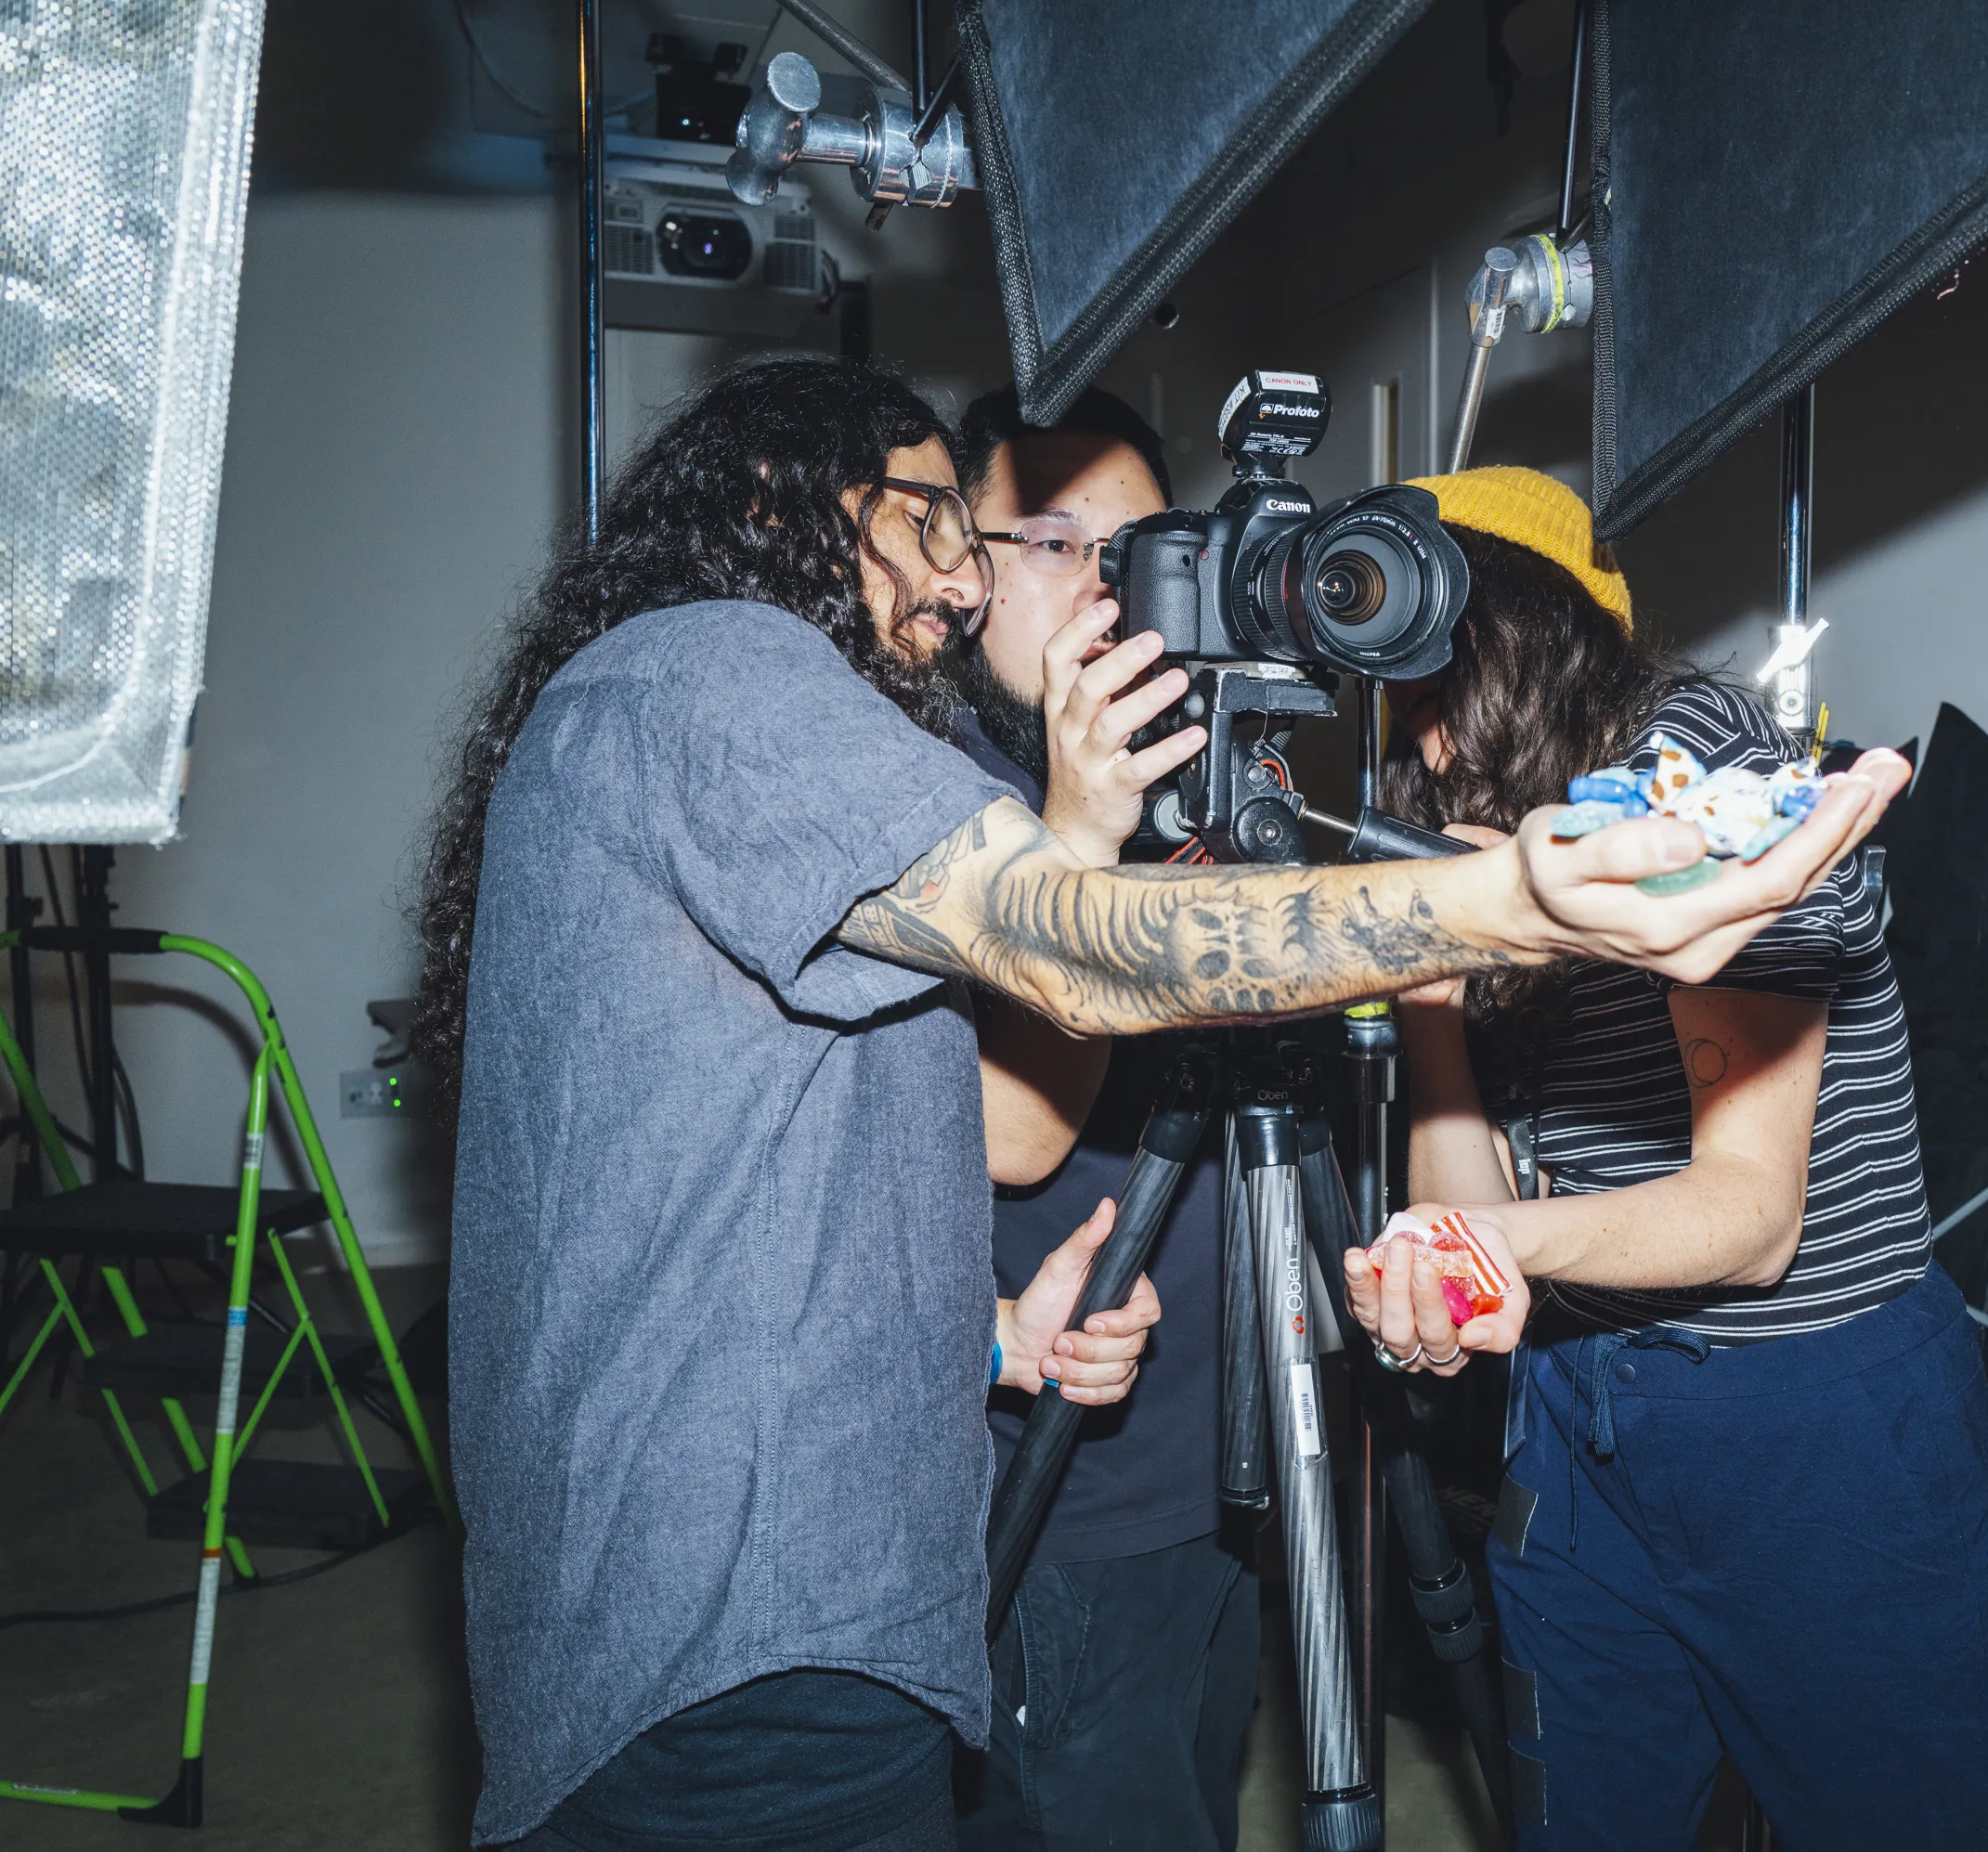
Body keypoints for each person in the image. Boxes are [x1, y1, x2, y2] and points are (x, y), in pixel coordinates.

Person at [411, 363, 1908, 1852]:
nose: (958, 579)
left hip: (778, 1593)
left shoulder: (747, 736)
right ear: (774, 502)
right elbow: (1067, 947)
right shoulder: (725, 675)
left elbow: (757, 1161)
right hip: (735, 1625)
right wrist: (1504, 898)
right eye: (940, 522)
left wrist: (989, 1331)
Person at [1341, 468, 1988, 1850]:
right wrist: (1432, 994)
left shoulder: (1702, 773)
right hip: (1584, 1413)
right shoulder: (1513, 838)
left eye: (1431, 689)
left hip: (1815, 1425)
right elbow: (1483, 1244)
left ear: (1517, 639)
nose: (1414, 746)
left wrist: (1491, 1252)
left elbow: (1745, 1218)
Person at [941, 387, 1258, 1852]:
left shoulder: (1203, 790)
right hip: (1060, 1495)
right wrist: (1085, 826)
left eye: (1139, 547)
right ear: (965, 562)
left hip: (1232, 1468)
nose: (1105, 584)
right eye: (1058, 538)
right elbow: (1014, 1138)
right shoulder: (948, 809)